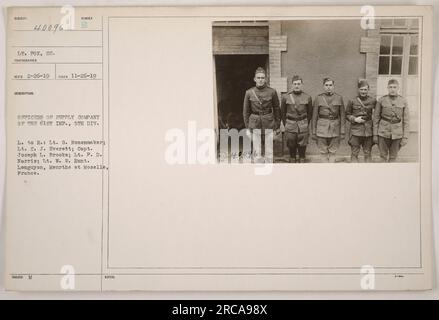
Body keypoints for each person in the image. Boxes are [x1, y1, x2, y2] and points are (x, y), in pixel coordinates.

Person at [243, 67, 281, 159]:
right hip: (254, 124)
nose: (260, 80)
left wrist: (277, 126)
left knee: (269, 150)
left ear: (266, 79)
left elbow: (276, 109)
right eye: (258, 78)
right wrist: (248, 127)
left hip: (269, 123)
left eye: (262, 78)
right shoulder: (249, 92)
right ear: (254, 79)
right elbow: (246, 112)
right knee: (257, 150)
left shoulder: (272, 92)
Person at [373, 79, 410, 162]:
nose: (392, 89)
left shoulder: (403, 101)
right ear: (387, 88)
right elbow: (376, 118)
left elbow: (406, 120)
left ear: (398, 88)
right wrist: (375, 134)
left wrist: (405, 137)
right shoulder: (381, 100)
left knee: (393, 158)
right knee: (382, 157)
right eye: (390, 87)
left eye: (394, 87)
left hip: (397, 134)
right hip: (383, 133)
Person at [311, 77, 345, 163]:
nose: (328, 87)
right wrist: (314, 131)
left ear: (333, 86)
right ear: (323, 86)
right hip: (321, 129)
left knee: (333, 152)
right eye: (326, 85)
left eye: (330, 85)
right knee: (323, 152)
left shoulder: (339, 98)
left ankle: (331, 170)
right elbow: (314, 116)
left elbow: (342, 115)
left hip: (335, 128)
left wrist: (342, 131)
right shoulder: (318, 98)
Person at [280, 75, 313, 163]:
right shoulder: (286, 97)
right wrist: (286, 123)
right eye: (295, 84)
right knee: (291, 144)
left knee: (303, 144)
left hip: (303, 124)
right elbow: (282, 113)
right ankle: (292, 159)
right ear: (292, 85)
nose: (297, 86)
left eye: (298, 84)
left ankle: (302, 159)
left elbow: (310, 113)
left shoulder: (307, 97)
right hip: (290, 124)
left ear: (302, 85)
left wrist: (305, 122)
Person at [345, 79, 376, 162]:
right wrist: (355, 119)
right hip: (356, 131)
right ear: (358, 90)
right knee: (354, 153)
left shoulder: (373, 100)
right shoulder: (352, 101)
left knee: (368, 153)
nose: (363, 91)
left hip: (368, 131)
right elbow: (347, 114)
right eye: (361, 89)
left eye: (365, 89)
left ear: (368, 90)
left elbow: (377, 115)